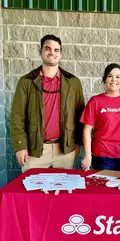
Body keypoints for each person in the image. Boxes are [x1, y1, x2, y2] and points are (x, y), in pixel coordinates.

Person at [10, 34, 85, 172]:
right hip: (35, 149)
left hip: (64, 149)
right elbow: (17, 116)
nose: (52, 52)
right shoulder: (26, 82)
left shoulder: (73, 82)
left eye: (56, 50)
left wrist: (78, 143)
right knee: (32, 192)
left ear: (61, 54)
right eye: (48, 48)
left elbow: (80, 114)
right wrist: (20, 146)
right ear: (41, 52)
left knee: (62, 191)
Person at [80, 63, 120, 171]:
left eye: (118, 77)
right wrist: (87, 155)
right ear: (105, 79)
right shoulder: (95, 101)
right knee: (104, 186)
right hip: (101, 155)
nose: (114, 79)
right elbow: (87, 130)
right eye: (110, 76)